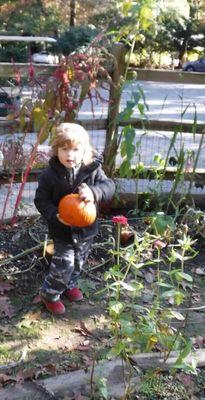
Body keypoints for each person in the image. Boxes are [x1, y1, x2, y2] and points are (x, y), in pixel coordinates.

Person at [34, 123, 115, 315]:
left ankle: (69, 285)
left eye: (75, 150)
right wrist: (55, 215)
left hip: (86, 230)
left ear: (85, 150)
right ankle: (50, 294)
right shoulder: (49, 175)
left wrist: (94, 192)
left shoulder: (92, 170)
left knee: (79, 262)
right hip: (62, 231)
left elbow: (110, 186)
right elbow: (41, 200)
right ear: (56, 150)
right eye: (64, 149)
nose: (70, 155)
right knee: (64, 264)